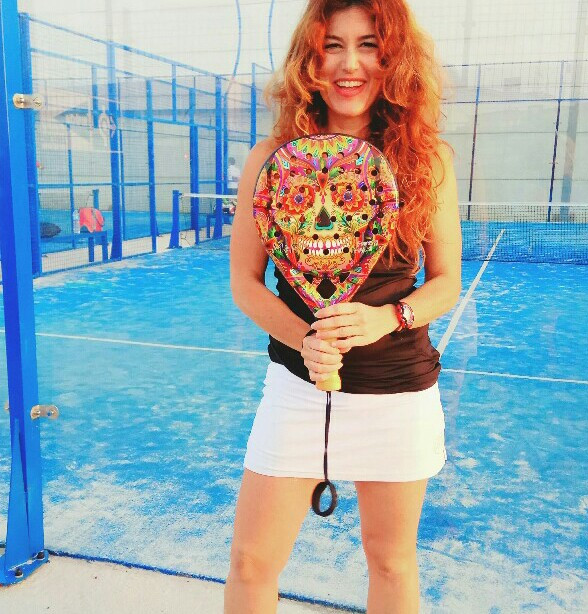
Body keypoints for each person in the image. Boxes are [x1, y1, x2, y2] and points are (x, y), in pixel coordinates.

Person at [226, 1, 461, 612]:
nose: (349, 64)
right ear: (309, 60)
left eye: (368, 45)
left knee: (390, 561)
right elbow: (246, 284)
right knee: (251, 562)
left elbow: (444, 284)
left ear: (394, 58)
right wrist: (305, 340)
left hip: (398, 393)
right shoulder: (272, 158)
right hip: (297, 391)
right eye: (332, 46)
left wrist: (387, 318)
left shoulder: (425, 159)